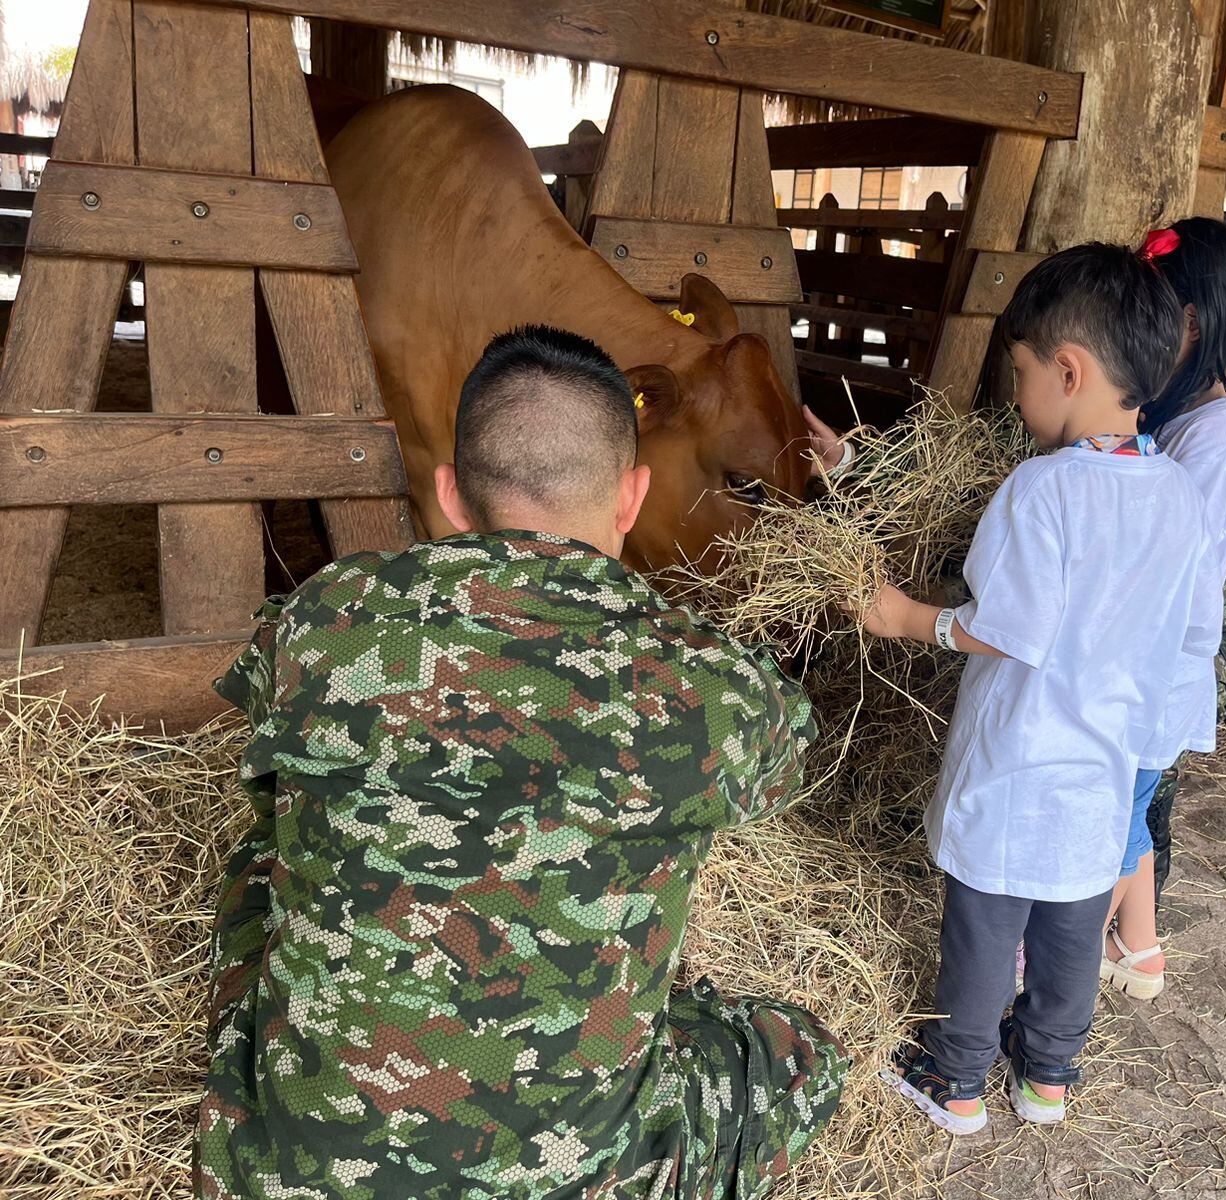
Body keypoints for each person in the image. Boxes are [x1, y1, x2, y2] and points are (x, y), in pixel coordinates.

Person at [194, 325, 848, 1200]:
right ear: (632, 496)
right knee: (800, 1054)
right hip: (582, 1177)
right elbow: (789, 760)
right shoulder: (710, 685)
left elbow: (263, 727)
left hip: (290, 1173)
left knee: (261, 856)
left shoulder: (326, 616)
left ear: (451, 494)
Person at [856, 244, 1220, 1132]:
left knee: (987, 922)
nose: (1018, 396)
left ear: (1068, 370)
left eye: (1020, 374)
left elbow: (1007, 626)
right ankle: (1048, 1076)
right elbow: (1192, 633)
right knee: (1071, 927)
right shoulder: (1178, 493)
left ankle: (957, 1080)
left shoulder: (1043, 488)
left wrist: (909, 617)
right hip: (1105, 766)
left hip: (1021, 762)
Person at [1099, 219, 1226, 1000]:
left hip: (1158, 659)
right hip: (1147, 651)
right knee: (1130, 809)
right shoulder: (1185, 415)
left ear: (1193, 321)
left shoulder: (1220, 439)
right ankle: (1137, 947)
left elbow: (1178, 572)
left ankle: (1067, 949)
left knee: (1115, 814)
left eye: (1149, 312)